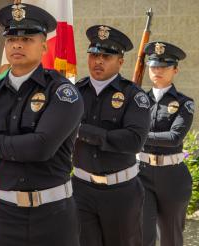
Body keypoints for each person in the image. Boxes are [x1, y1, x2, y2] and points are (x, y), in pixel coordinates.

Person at [0, 3, 84, 246]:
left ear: (44, 44)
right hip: (2, 217)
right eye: (12, 38)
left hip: (54, 218)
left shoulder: (62, 92)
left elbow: (40, 147)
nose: (17, 44)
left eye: (27, 38)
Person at [72, 25, 151, 246]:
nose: (98, 61)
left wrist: (81, 131)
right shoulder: (73, 93)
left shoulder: (133, 95)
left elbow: (134, 141)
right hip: (81, 188)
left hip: (120, 192)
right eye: (94, 55)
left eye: (106, 56)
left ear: (120, 62)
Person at [138, 41, 194, 246]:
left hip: (172, 176)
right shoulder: (138, 99)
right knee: (142, 234)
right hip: (141, 172)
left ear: (175, 70)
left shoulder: (184, 102)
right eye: (153, 66)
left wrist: (136, 135)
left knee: (171, 236)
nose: (157, 71)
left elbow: (174, 138)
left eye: (164, 66)